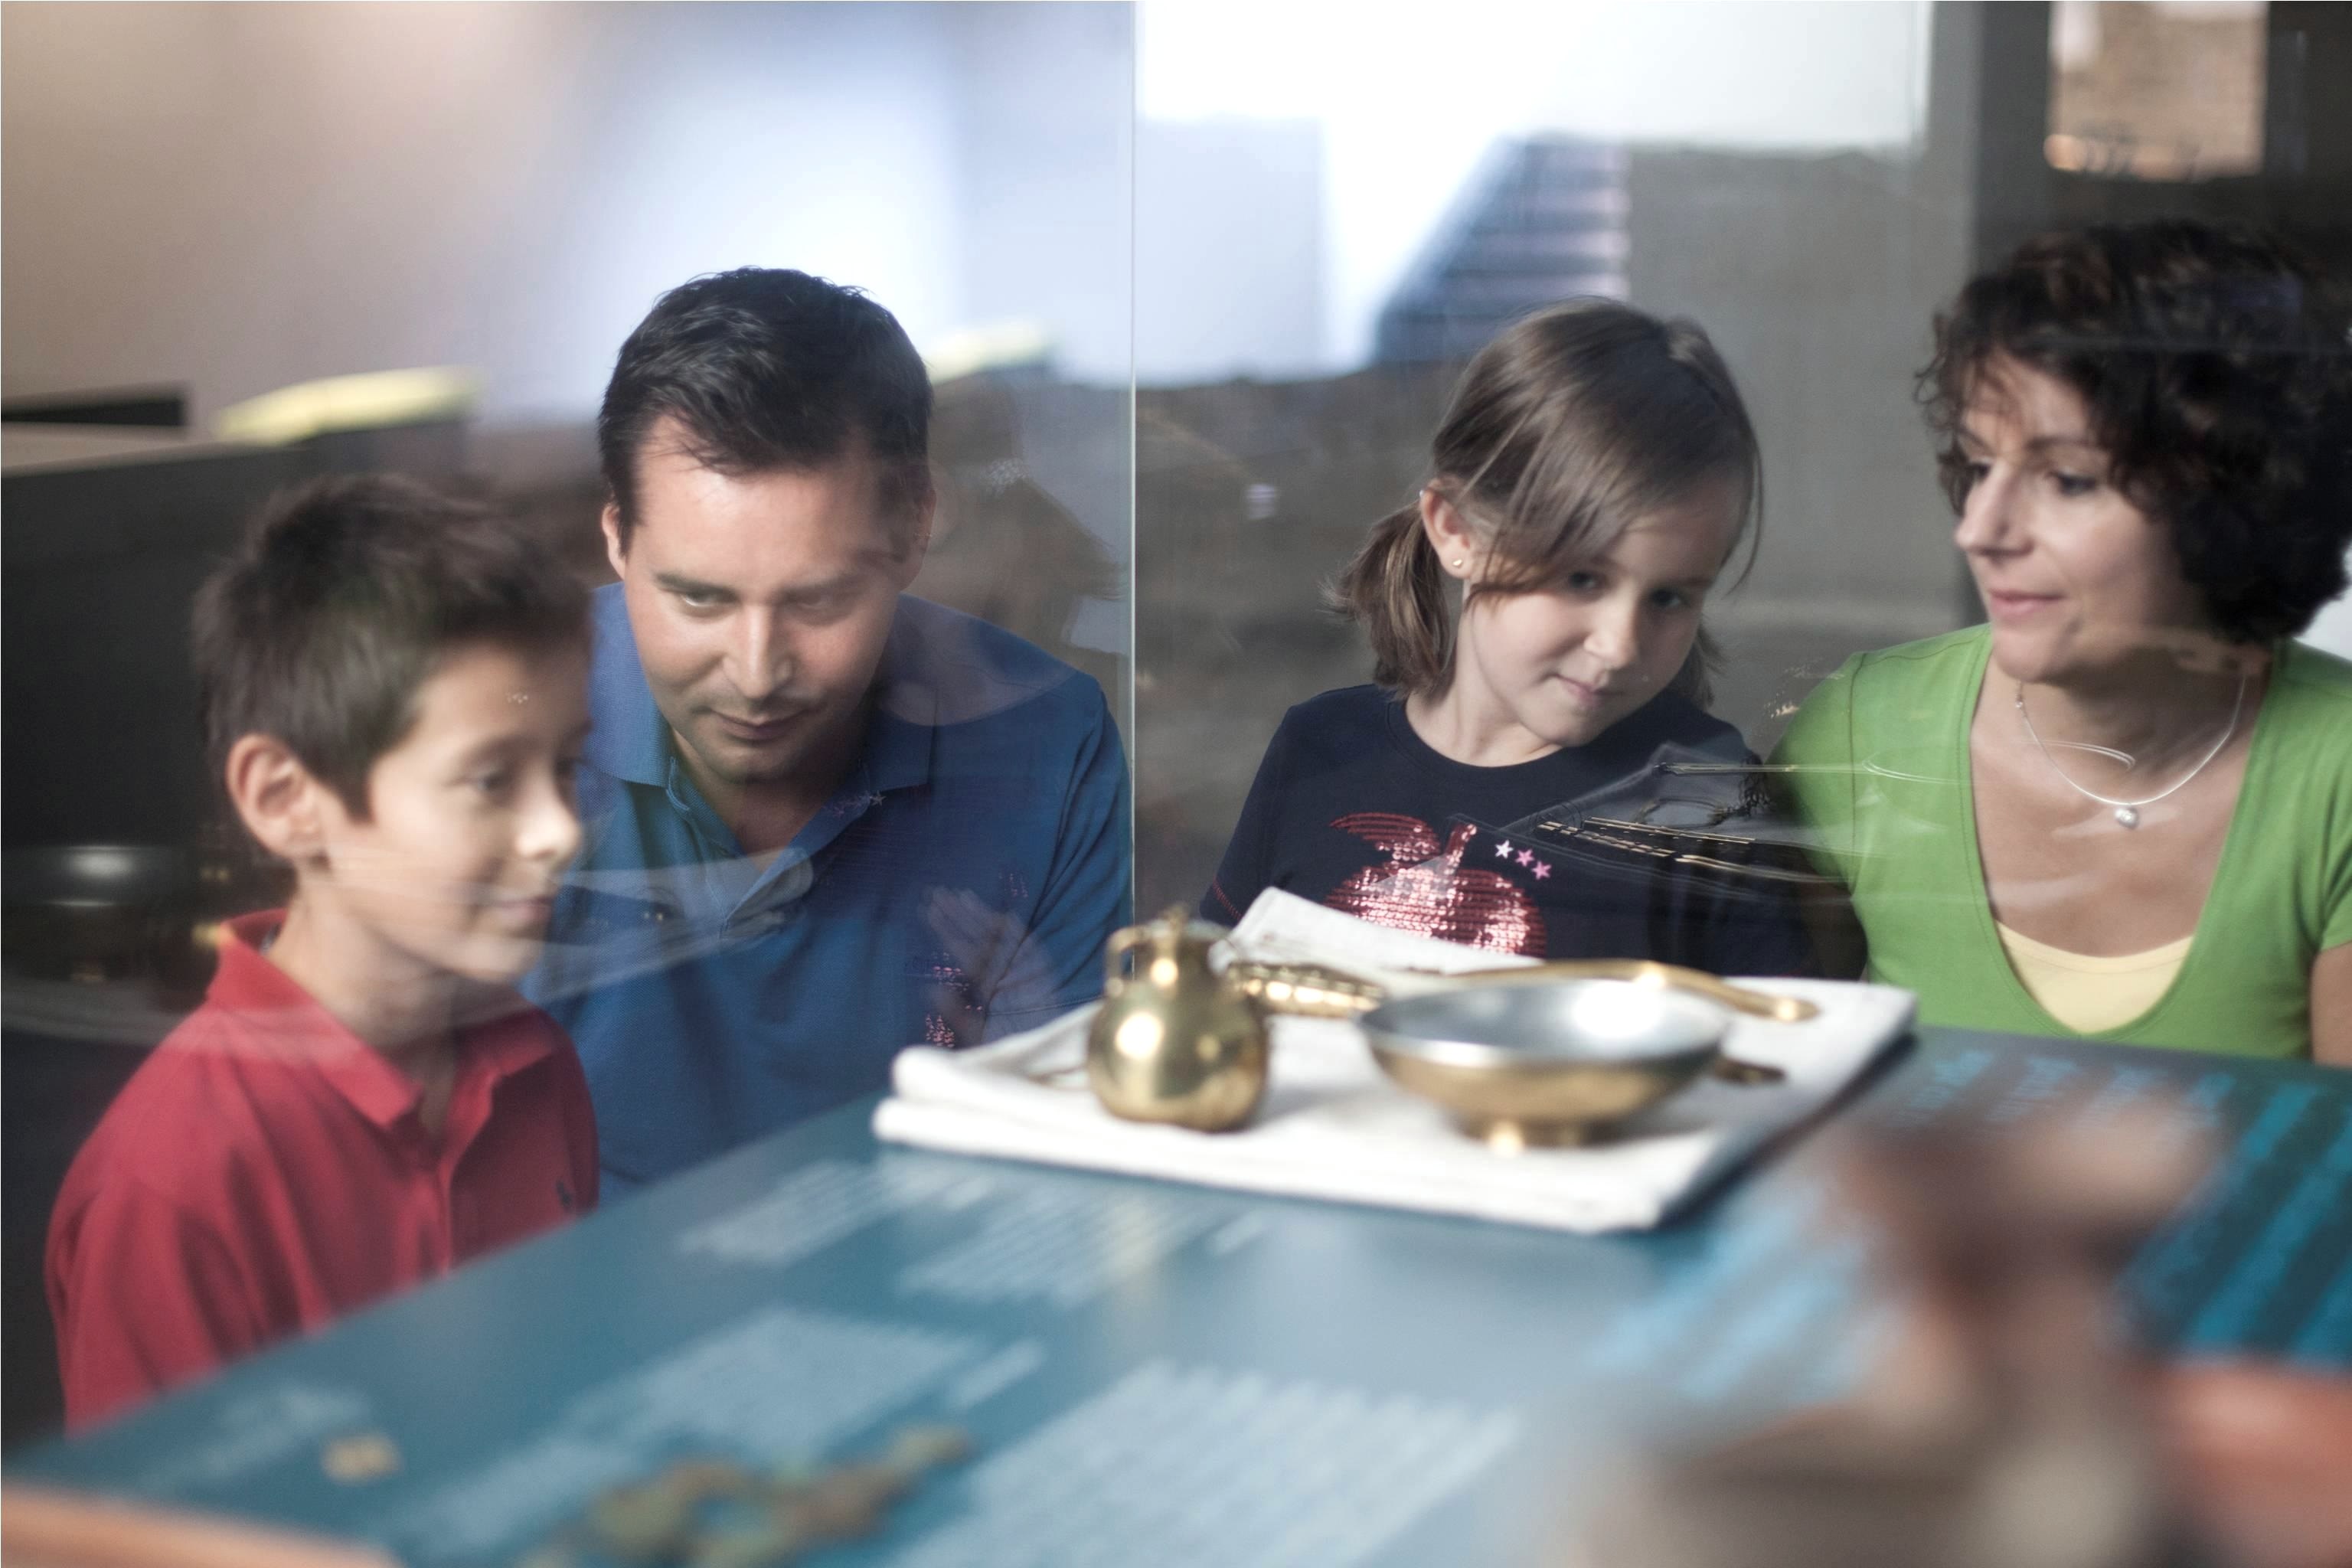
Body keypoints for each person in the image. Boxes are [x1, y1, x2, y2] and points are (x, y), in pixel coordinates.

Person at [530, 269, 1130, 1194]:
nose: (756, 671)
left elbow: (1065, 1156)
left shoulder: (1046, 747)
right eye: (699, 598)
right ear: (617, 537)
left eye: (817, 600)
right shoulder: (503, 736)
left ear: (914, 526)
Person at [46, 476, 599, 1429]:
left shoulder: (537, 1065)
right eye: (490, 778)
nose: (561, 830)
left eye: (566, 767)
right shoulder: (172, 1186)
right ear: (286, 799)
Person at [1771, 220, 2352, 1061]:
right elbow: (1762, 1084)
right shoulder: (1864, 732)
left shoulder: (2337, 774)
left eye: (2068, 480)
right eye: (1979, 466)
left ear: (2230, 506)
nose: (1979, 529)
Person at [1202, 299, 1818, 974]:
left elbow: (1792, 1037)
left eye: (1669, 597)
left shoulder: (1713, 803)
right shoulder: (1317, 749)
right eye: (1581, 579)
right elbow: (1215, 992)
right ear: (1456, 531)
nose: (1620, 646)